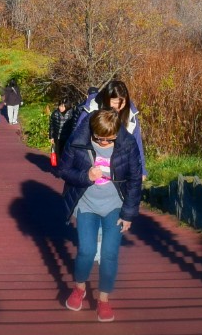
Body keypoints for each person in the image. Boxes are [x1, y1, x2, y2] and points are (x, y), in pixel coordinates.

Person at [57, 108, 143, 322]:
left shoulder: (128, 144)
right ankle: (79, 288)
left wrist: (129, 214)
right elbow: (63, 170)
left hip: (115, 206)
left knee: (110, 254)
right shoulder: (78, 141)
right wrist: (86, 175)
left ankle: (103, 299)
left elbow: (134, 180)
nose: (104, 143)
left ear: (116, 132)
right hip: (87, 205)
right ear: (92, 132)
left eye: (109, 138)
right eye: (99, 138)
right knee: (86, 251)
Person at [47, 98, 72, 168]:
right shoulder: (55, 113)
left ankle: (65, 165)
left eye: (63, 106)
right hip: (57, 136)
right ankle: (59, 165)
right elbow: (51, 126)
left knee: (66, 152)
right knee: (57, 152)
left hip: (67, 137)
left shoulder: (71, 113)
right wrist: (51, 136)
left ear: (67, 106)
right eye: (60, 106)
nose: (61, 108)